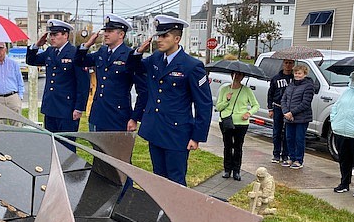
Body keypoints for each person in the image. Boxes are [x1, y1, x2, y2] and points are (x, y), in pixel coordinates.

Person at [129, 15, 213, 186]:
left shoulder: (192, 65)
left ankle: (176, 213)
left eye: (164, 36)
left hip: (177, 133)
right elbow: (132, 69)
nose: (159, 40)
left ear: (177, 38)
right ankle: (160, 212)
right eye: (159, 36)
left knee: (175, 181)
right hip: (156, 129)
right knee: (158, 178)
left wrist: (197, 137)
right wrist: (138, 52)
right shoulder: (155, 59)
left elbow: (203, 104)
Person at [74, 14, 147, 132]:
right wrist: (86, 45)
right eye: (105, 31)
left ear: (121, 34)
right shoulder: (102, 52)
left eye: (110, 31)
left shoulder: (130, 56)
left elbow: (143, 91)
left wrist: (134, 118)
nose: (106, 34)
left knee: (117, 150)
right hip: (98, 115)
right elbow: (79, 62)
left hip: (118, 116)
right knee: (96, 150)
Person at [26, 20, 89, 133]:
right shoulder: (50, 51)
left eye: (55, 34)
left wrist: (79, 108)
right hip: (50, 106)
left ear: (65, 35)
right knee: (52, 144)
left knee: (66, 145)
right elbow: (31, 60)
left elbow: (83, 84)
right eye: (51, 35)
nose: (52, 38)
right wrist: (36, 45)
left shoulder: (75, 53)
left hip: (67, 108)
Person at [330, 66, 354, 198]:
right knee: (344, 160)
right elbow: (336, 107)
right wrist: (334, 120)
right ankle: (344, 184)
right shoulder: (347, 92)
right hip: (342, 132)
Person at [216, 72, 260, 181]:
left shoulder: (246, 90)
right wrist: (227, 100)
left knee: (238, 147)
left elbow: (256, 105)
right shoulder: (225, 89)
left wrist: (249, 113)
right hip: (226, 121)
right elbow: (218, 107)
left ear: (243, 77)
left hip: (241, 123)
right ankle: (227, 169)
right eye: (235, 74)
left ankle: (236, 170)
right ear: (232, 75)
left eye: (240, 75)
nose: (237, 77)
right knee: (227, 146)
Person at [281, 63, 314, 169]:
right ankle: (291, 157)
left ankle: (298, 160)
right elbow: (284, 99)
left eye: (299, 73)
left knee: (299, 139)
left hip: (302, 118)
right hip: (289, 117)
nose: (297, 75)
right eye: (295, 73)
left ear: (304, 74)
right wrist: (286, 112)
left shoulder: (308, 86)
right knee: (289, 138)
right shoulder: (290, 85)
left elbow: (305, 103)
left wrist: (292, 113)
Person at [267, 58, 294, 166]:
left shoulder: (295, 79)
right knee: (277, 132)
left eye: (290, 63)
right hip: (278, 107)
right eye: (286, 63)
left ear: (293, 64)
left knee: (288, 133)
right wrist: (270, 108)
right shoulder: (276, 78)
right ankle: (276, 154)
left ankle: (285, 155)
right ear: (283, 64)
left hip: (289, 109)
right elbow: (270, 94)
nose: (288, 65)